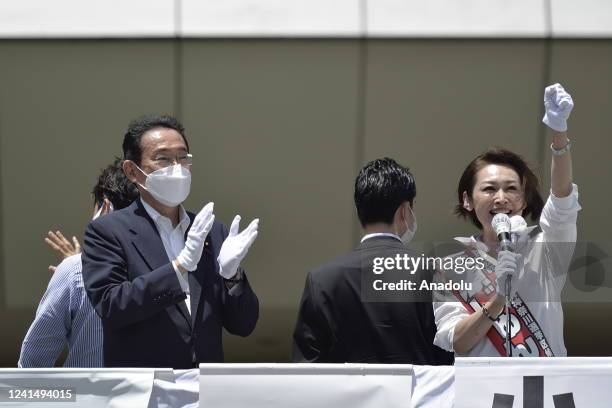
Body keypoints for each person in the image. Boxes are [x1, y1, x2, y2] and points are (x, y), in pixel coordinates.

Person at [82, 115, 259, 368]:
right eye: (163, 159)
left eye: (183, 158)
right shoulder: (108, 232)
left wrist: (232, 276)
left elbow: (244, 325)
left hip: (204, 389)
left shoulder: (210, 230)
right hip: (144, 390)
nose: (176, 167)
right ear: (132, 171)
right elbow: (112, 306)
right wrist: (180, 267)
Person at [433, 83, 580, 357]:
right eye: (489, 189)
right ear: (468, 200)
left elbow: (562, 201)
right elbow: (456, 341)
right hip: (484, 395)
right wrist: (498, 299)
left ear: (524, 200)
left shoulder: (546, 249)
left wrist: (559, 132)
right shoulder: (450, 270)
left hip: (544, 394)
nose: (501, 198)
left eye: (511, 189)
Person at [292, 158, 453, 364]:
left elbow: (306, 365)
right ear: (404, 211)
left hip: (348, 397)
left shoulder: (322, 279)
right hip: (417, 396)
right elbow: (449, 353)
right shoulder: (432, 270)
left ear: (360, 211)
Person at [19, 159, 139, 367]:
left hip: (87, 399)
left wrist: (77, 269)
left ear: (105, 207)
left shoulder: (75, 270)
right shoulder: (175, 266)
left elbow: (33, 362)